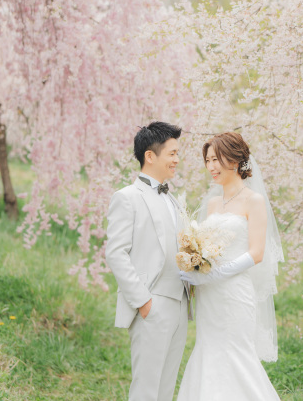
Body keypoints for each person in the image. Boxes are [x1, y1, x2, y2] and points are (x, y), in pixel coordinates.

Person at [177, 131, 283, 400]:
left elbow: (256, 253)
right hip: (209, 297)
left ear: (235, 161)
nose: (211, 166)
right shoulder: (213, 203)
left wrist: (214, 275)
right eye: (208, 160)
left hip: (234, 293)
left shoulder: (253, 200)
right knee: (209, 351)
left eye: (216, 159)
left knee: (237, 355)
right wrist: (195, 266)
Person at [105, 121, 189, 401]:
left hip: (180, 304)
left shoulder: (173, 199)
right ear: (150, 156)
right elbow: (116, 252)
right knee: (146, 389)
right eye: (172, 153)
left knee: (166, 388)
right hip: (152, 303)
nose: (177, 160)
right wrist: (143, 302)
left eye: (178, 153)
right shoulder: (127, 198)